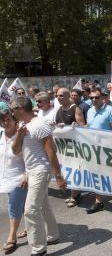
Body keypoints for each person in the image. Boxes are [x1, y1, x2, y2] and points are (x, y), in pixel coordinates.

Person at [11, 96, 67, 256]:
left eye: (13, 110)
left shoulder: (39, 124)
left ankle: (38, 248)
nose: (11, 113)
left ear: (20, 109)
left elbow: (51, 151)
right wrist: (20, 135)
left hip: (41, 171)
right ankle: (53, 235)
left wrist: (58, 176)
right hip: (32, 171)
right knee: (43, 205)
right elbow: (16, 151)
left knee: (30, 210)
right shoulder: (23, 125)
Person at [85, 87, 112, 214]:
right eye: (91, 97)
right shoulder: (89, 111)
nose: (94, 100)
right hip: (93, 149)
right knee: (96, 174)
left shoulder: (110, 110)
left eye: (96, 97)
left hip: (108, 150)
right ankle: (99, 202)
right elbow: (89, 127)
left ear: (103, 98)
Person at [0, 109, 27, 254]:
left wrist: (26, 173)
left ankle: (12, 237)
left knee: (13, 206)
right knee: (22, 206)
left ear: (14, 119)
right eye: (2, 120)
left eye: (8, 119)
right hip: (5, 177)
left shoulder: (22, 133)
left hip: (19, 177)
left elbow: (31, 156)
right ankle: (30, 227)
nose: (5, 122)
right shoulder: (0, 133)